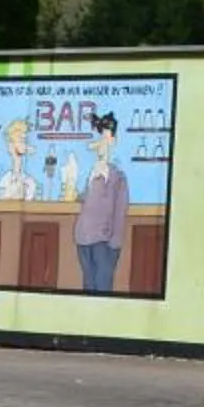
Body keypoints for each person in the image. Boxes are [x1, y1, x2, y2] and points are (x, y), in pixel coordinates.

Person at [74, 111, 129, 295]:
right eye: (99, 138)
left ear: (112, 140)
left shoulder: (117, 177)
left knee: (102, 287)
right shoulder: (91, 173)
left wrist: (114, 244)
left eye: (105, 138)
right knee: (88, 284)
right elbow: (86, 198)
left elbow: (120, 212)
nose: (100, 144)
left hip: (104, 241)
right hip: (83, 237)